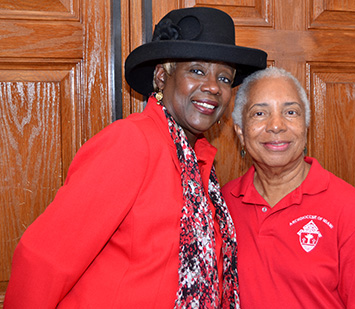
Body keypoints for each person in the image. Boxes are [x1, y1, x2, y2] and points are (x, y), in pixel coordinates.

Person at [4, 7, 267, 308]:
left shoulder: (199, 164)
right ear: (161, 76)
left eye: (224, 78)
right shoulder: (131, 143)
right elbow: (42, 260)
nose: (212, 87)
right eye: (196, 70)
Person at [221, 67, 355, 308]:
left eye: (290, 112)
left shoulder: (350, 210)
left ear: (306, 127)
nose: (276, 125)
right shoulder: (221, 204)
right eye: (259, 113)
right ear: (240, 132)